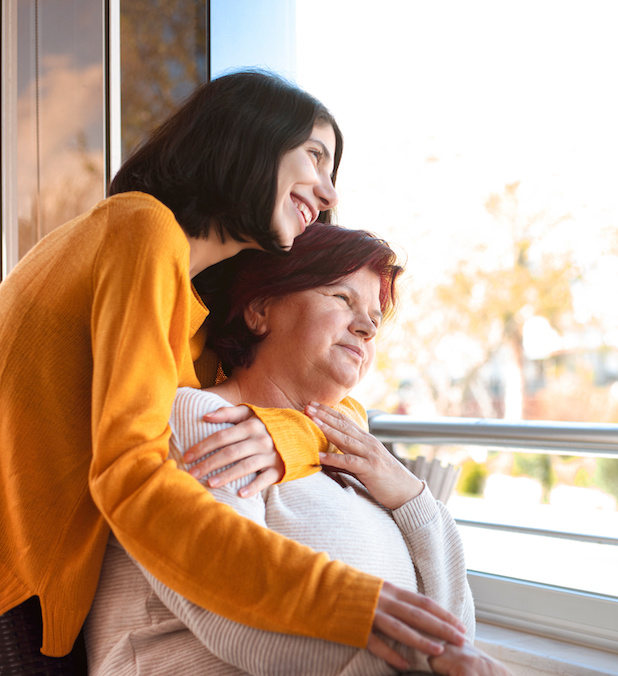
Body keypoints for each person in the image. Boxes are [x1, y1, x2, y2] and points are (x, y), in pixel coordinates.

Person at [0, 70, 464, 671]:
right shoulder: (140, 230)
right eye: (315, 158)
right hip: (17, 595)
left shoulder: (188, 316)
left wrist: (287, 433)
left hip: (45, 595)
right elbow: (131, 476)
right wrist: (350, 605)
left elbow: (322, 409)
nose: (328, 194)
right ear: (249, 140)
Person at [85, 224, 511, 675]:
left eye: (375, 315)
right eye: (342, 299)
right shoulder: (206, 420)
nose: (367, 327)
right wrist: (418, 658)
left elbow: (454, 631)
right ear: (260, 309)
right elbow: (236, 617)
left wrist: (409, 495)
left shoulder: (347, 445)